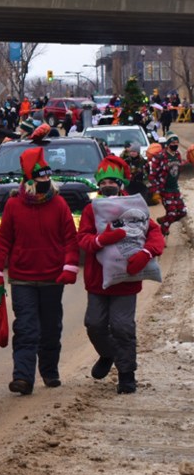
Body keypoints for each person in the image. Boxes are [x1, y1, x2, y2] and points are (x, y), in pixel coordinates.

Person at [0, 147, 78, 395]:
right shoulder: (14, 206)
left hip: (52, 278)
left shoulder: (59, 204)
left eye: (47, 178)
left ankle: (49, 371)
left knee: (50, 329)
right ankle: (23, 377)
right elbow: (4, 240)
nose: (44, 182)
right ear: (29, 180)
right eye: (39, 178)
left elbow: (70, 239)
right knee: (27, 328)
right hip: (22, 279)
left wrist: (70, 265)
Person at [77, 155, 164, 394]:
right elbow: (82, 238)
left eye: (112, 181)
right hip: (98, 281)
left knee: (122, 326)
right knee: (94, 324)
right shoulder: (90, 210)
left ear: (121, 183)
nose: (108, 186)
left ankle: (127, 374)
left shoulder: (135, 206)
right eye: (103, 182)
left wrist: (146, 253)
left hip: (127, 279)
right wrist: (99, 240)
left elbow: (154, 234)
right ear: (98, 184)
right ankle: (107, 355)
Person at [149, 132, 188, 236]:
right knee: (172, 213)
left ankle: (163, 220)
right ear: (168, 143)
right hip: (165, 189)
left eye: (177, 142)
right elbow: (152, 175)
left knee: (182, 212)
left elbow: (178, 168)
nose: (175, 144)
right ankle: (163, 230)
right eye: (173, 142)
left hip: (175, 188)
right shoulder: (160, 157)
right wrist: (155, 191)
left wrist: (187, 162)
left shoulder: (178, 155)